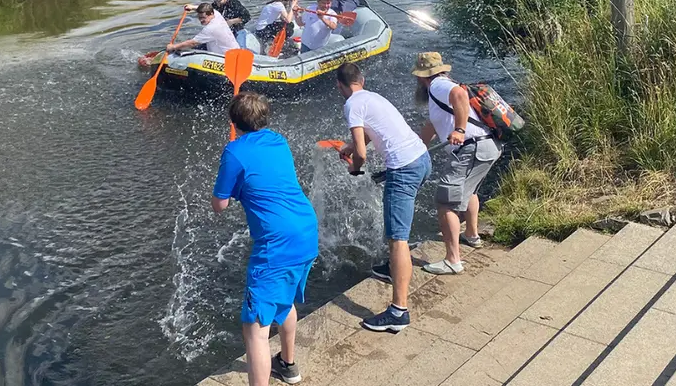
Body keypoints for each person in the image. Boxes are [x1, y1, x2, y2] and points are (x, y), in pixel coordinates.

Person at [212, 92, 319, 386]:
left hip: (277, 243)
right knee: (283, 302)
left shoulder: (234, 152)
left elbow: (219, 205)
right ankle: (287, 365)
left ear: (233, 121)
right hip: (306, 230)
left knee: (255, 328)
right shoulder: (278, 141)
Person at [336, 63, 431, 333]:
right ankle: (393, 269)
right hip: (422, 159)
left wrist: (354, 167)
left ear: (339, 86)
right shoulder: (372, 97)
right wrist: (349, 147)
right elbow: (366, 135)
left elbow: (362, 157)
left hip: (403, 168)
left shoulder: (351, 104)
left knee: (397, 238)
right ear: (361, 80)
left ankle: (398, 312)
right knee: (399, 226)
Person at [412, 52, 503, 275]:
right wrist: (415, 151)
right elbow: (432, 126)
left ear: (423, 77)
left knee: (445, 202)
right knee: (468, 190)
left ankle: (453, 260)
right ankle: (472, 235)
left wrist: (460, 130)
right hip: (488, 146)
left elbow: (459, 95)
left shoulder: (437, 86)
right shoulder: (441, 93)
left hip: (471, 148)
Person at [167, 3, 239, 55]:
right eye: (199, 17)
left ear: (210, 14)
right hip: (234, 49)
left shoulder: (211, 28)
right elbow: (206, 8)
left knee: (191, 46)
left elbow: (192, 43)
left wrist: (173, 47)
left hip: (225, 57)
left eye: (203, 18)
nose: (201, 20)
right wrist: (192, 7)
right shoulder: (217, 15)